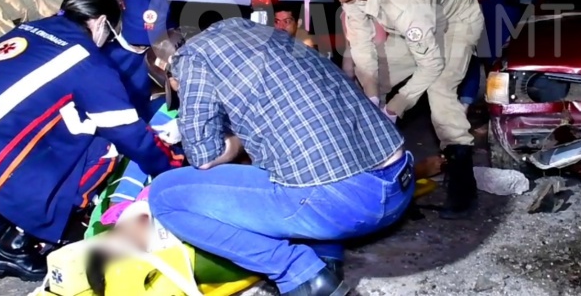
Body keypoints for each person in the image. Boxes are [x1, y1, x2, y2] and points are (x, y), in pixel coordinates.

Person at [0, 0, 177, 280]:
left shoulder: (28, 30)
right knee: (100, 145)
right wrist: (170, 167)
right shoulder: (87, 61)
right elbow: (130, 135)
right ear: (102, 23)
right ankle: (14, 244)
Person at [146, 18, 414, 296]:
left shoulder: (191, 58)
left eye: (176, 89)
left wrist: (232, 139)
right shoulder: (258, 33)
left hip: (344, 203)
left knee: (165, 195)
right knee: (283, 161)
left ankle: (301, 275)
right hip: (398, 182)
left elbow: (204, 157)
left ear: (171, 73)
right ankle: (325, 255)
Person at [308, 0, 484, 219]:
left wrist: (394, 108)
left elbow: (431, 64)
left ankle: (463, 182)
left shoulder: (405, 4)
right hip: (422, 23)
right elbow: (364, 51)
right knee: (381, 74)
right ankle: (377, 173)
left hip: (456, 22)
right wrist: (373, 97)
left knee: (439, 91)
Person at [103, 0, 171, 121]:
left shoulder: (174, 45)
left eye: (149, 40)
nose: (142, 46)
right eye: (137, 38)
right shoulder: (102, 53)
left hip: (150, 113)